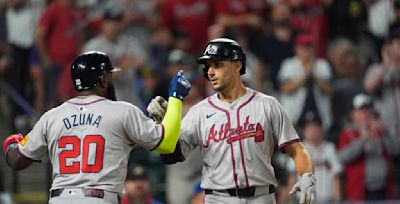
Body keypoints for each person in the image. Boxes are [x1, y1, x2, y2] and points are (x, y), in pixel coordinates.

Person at [2, 51, 191, 204]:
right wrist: (176, 98)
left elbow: (17, 160)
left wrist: (11, 144)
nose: (110, 80)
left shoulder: (52, 116)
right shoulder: (123, 111)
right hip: (100, 198)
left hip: (59, 199)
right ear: (102, 80)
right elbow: (167, 144)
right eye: (109, 76)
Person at [147, 38, 316, 204]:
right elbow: (171, 156)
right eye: (208, 66)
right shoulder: (200, 111)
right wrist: (164, 126)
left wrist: (307, 175)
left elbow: (296, 149)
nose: (211, 71)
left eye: (217, 64)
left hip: (261, 197)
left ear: (237, 65)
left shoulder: (267, 105)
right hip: (218, 198)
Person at [338, 93, 399, 201]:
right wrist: (363, 138)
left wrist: (386, 133)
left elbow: (395, 151)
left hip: (384, 190)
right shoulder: (347, 133)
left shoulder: (380, 131)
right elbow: (343, 157)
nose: (365, 113)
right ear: (353, 113)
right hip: (360, 192)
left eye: (368, 109)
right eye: (361, 110)